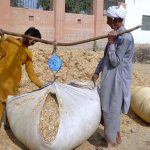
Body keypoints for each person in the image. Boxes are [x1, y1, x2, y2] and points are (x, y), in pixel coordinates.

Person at [92, 5, 134, 148]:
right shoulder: (115, 34)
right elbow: (106, 58)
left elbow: (115, 61)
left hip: (117, 79)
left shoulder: (125, 38)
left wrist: (111, 43)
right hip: (108, 77)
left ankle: (111, 142)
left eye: (109, 19)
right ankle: (115, 136)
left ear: (116, 20)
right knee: (107, 107)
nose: (107, 21)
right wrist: (97, 71)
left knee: (111, 109)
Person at [0, 27, 43, 129]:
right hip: (1, 76)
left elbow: (31, 73)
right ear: (27, 34)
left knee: (10, 104)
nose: (33, 43)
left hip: (13, 82)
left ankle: (9, 125)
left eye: (36, 42)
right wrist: (2, 37)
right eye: (33, 39)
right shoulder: (10, 41)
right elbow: (1, 53)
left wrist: (42, 85)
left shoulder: (28, 54)